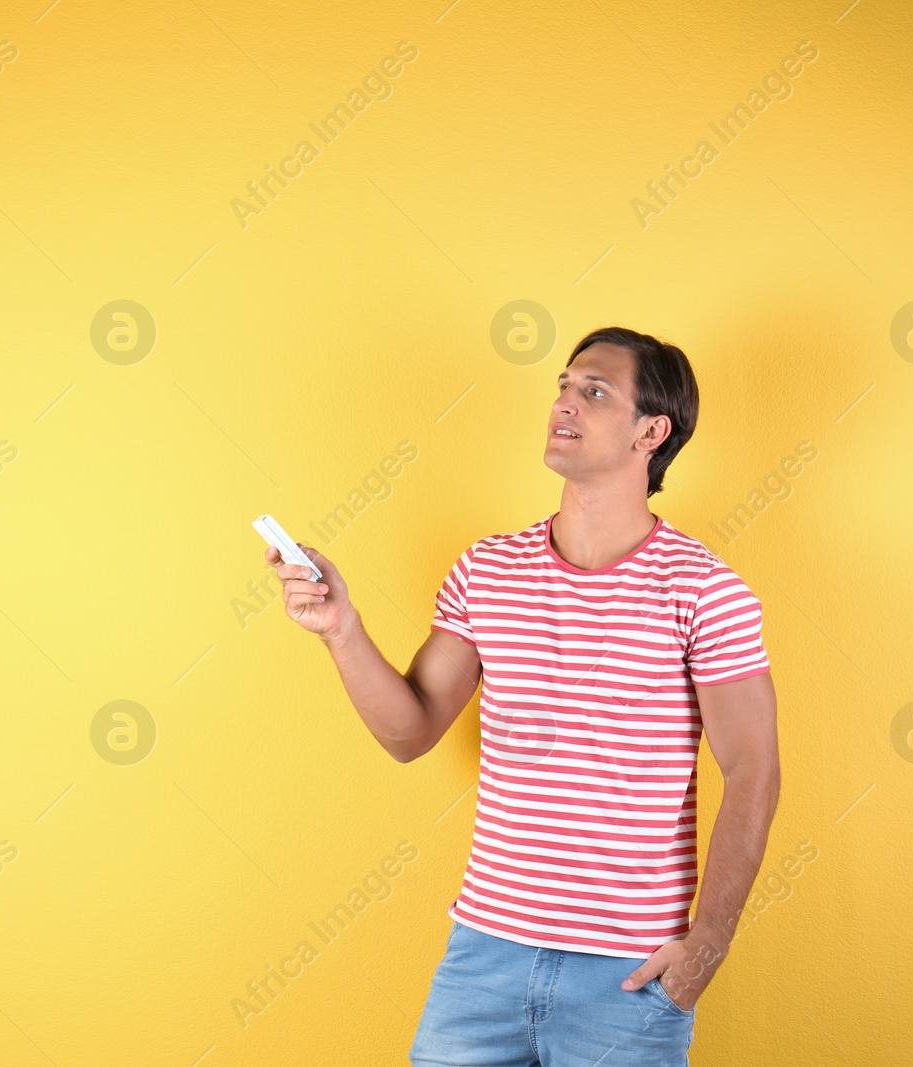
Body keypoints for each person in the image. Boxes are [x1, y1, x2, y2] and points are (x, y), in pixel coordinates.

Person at [263, 326, 781, 1066]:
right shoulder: (488, 568)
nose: (564, 404)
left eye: (594, 391)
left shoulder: (704, 589)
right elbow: (409, 732)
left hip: (628, 976)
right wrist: (341, 629)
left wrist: (707, 947)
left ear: (652, 431)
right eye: (564, 387)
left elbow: (754, 769)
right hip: (483, 957)